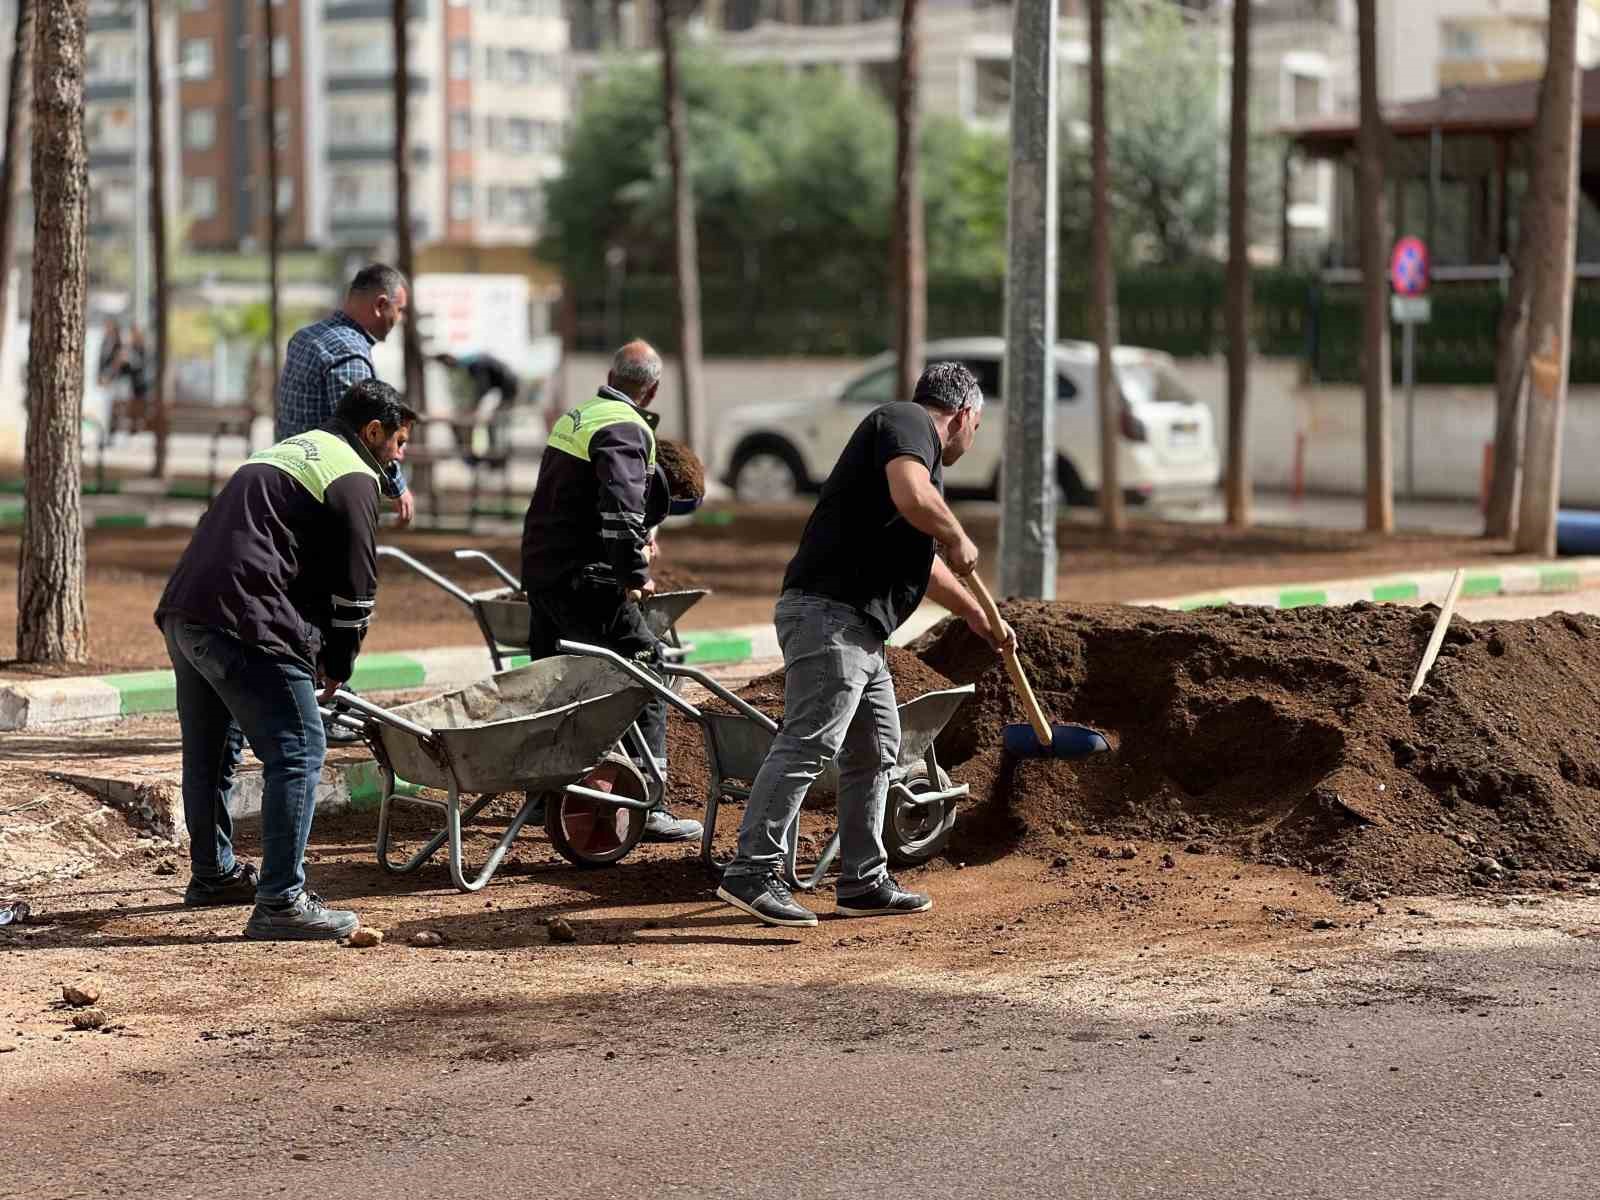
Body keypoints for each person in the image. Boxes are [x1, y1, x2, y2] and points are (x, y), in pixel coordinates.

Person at [716, 361, 1012, 928]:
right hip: (832, 616)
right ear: (966, 414)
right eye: (978, 427)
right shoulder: (906, 423)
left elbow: (920, 562)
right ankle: (752, 870)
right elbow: (913, 495)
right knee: (810, 742)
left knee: (878, 746)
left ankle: (863, 879)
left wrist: (977, 614)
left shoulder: (915, 472)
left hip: (861, 628)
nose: (974, 441)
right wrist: (956, 531)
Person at [154, 380, 416, 941]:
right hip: (243, 621)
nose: (400, 457)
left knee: (210, 751)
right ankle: (280, 902)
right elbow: (355, 593)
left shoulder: (291, 450)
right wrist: (339, 663)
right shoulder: (352, 476)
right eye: (398, 443)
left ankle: (214, 875)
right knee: (300, 748)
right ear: (373, 432)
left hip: (185, 612)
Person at [520, 340, 703, 843]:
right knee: (648, 666)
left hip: (542, 573)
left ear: (610, 374)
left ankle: (542, 795)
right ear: (655, 389)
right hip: (585, 578)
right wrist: (634, 574)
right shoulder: (626, 426)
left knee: (557, 683)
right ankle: (649, 800)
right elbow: (621, 507)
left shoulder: (578, 416)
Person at [277, 263, 416, 528]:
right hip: (322, 492)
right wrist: (397, 486)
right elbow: (363, 435)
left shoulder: (304, 337)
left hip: (288, 481)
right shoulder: (349, 352)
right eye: (399, 310)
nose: (399, 319)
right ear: (381, 304)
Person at [436, 351, 519, 461]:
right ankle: (492, 455)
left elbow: (482, 388)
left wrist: (475, 407)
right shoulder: (469, 362)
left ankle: (495, 457)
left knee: (495, 420)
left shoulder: (473, 366)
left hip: (509, 385)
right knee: (492, 420)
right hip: (505, 385)